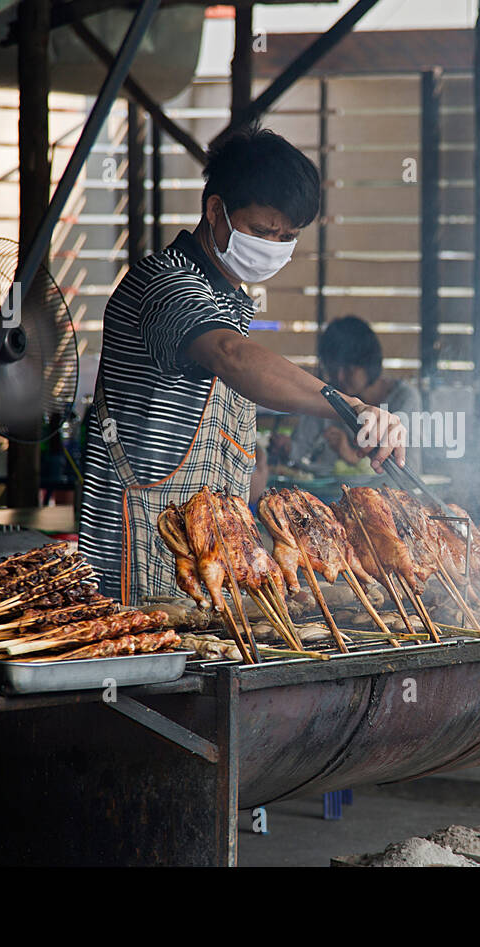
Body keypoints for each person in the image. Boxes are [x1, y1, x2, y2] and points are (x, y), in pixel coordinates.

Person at [79, 125, 406, 603]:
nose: (273, 245)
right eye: (261, 230)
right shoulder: (165, 283)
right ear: (216, 211)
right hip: (140, 551)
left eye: (287, 236)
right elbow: (230, 357)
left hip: (212, 550)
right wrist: (345, 404)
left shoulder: (229, 302)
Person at [274, 315, 422, 476]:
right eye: (333, 370)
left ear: (368, 363)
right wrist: (288, 448)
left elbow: (409, 470)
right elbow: (301, 452)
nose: (340, 377)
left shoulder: (404, 397)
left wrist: (353, 457)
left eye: (349, 370)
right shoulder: (330, 394)